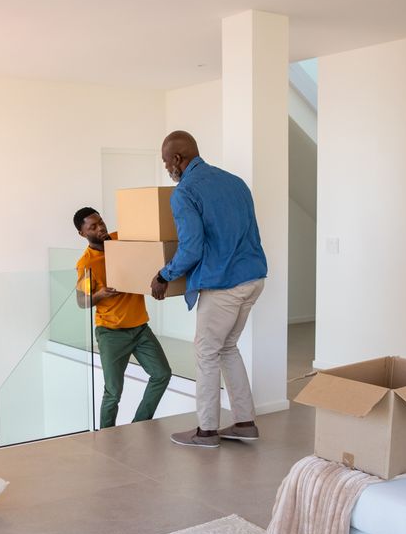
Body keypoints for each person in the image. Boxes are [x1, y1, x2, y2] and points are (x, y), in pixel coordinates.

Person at [150, 131, 268, 449]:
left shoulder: (185, 192)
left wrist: (164, 275)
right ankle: (244, 422)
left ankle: (206, 431)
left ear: (177, 158)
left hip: (223, 284)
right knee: (227, 348)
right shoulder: (235, 182)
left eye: (166, 162)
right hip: (254, 278)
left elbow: (191, 248)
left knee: (205, 353)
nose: (166, 169)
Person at [74, 207, 172, 429]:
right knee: (113, 392)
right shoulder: (86, 264)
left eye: (101, 222)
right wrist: (100, 294)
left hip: (139, 327)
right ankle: (105, 438)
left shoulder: (120, 240)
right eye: (93, 226)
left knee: (162, 374)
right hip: (111, 332)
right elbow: (82, 301)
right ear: (82, 234)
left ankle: (138, 426)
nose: (101, 228)